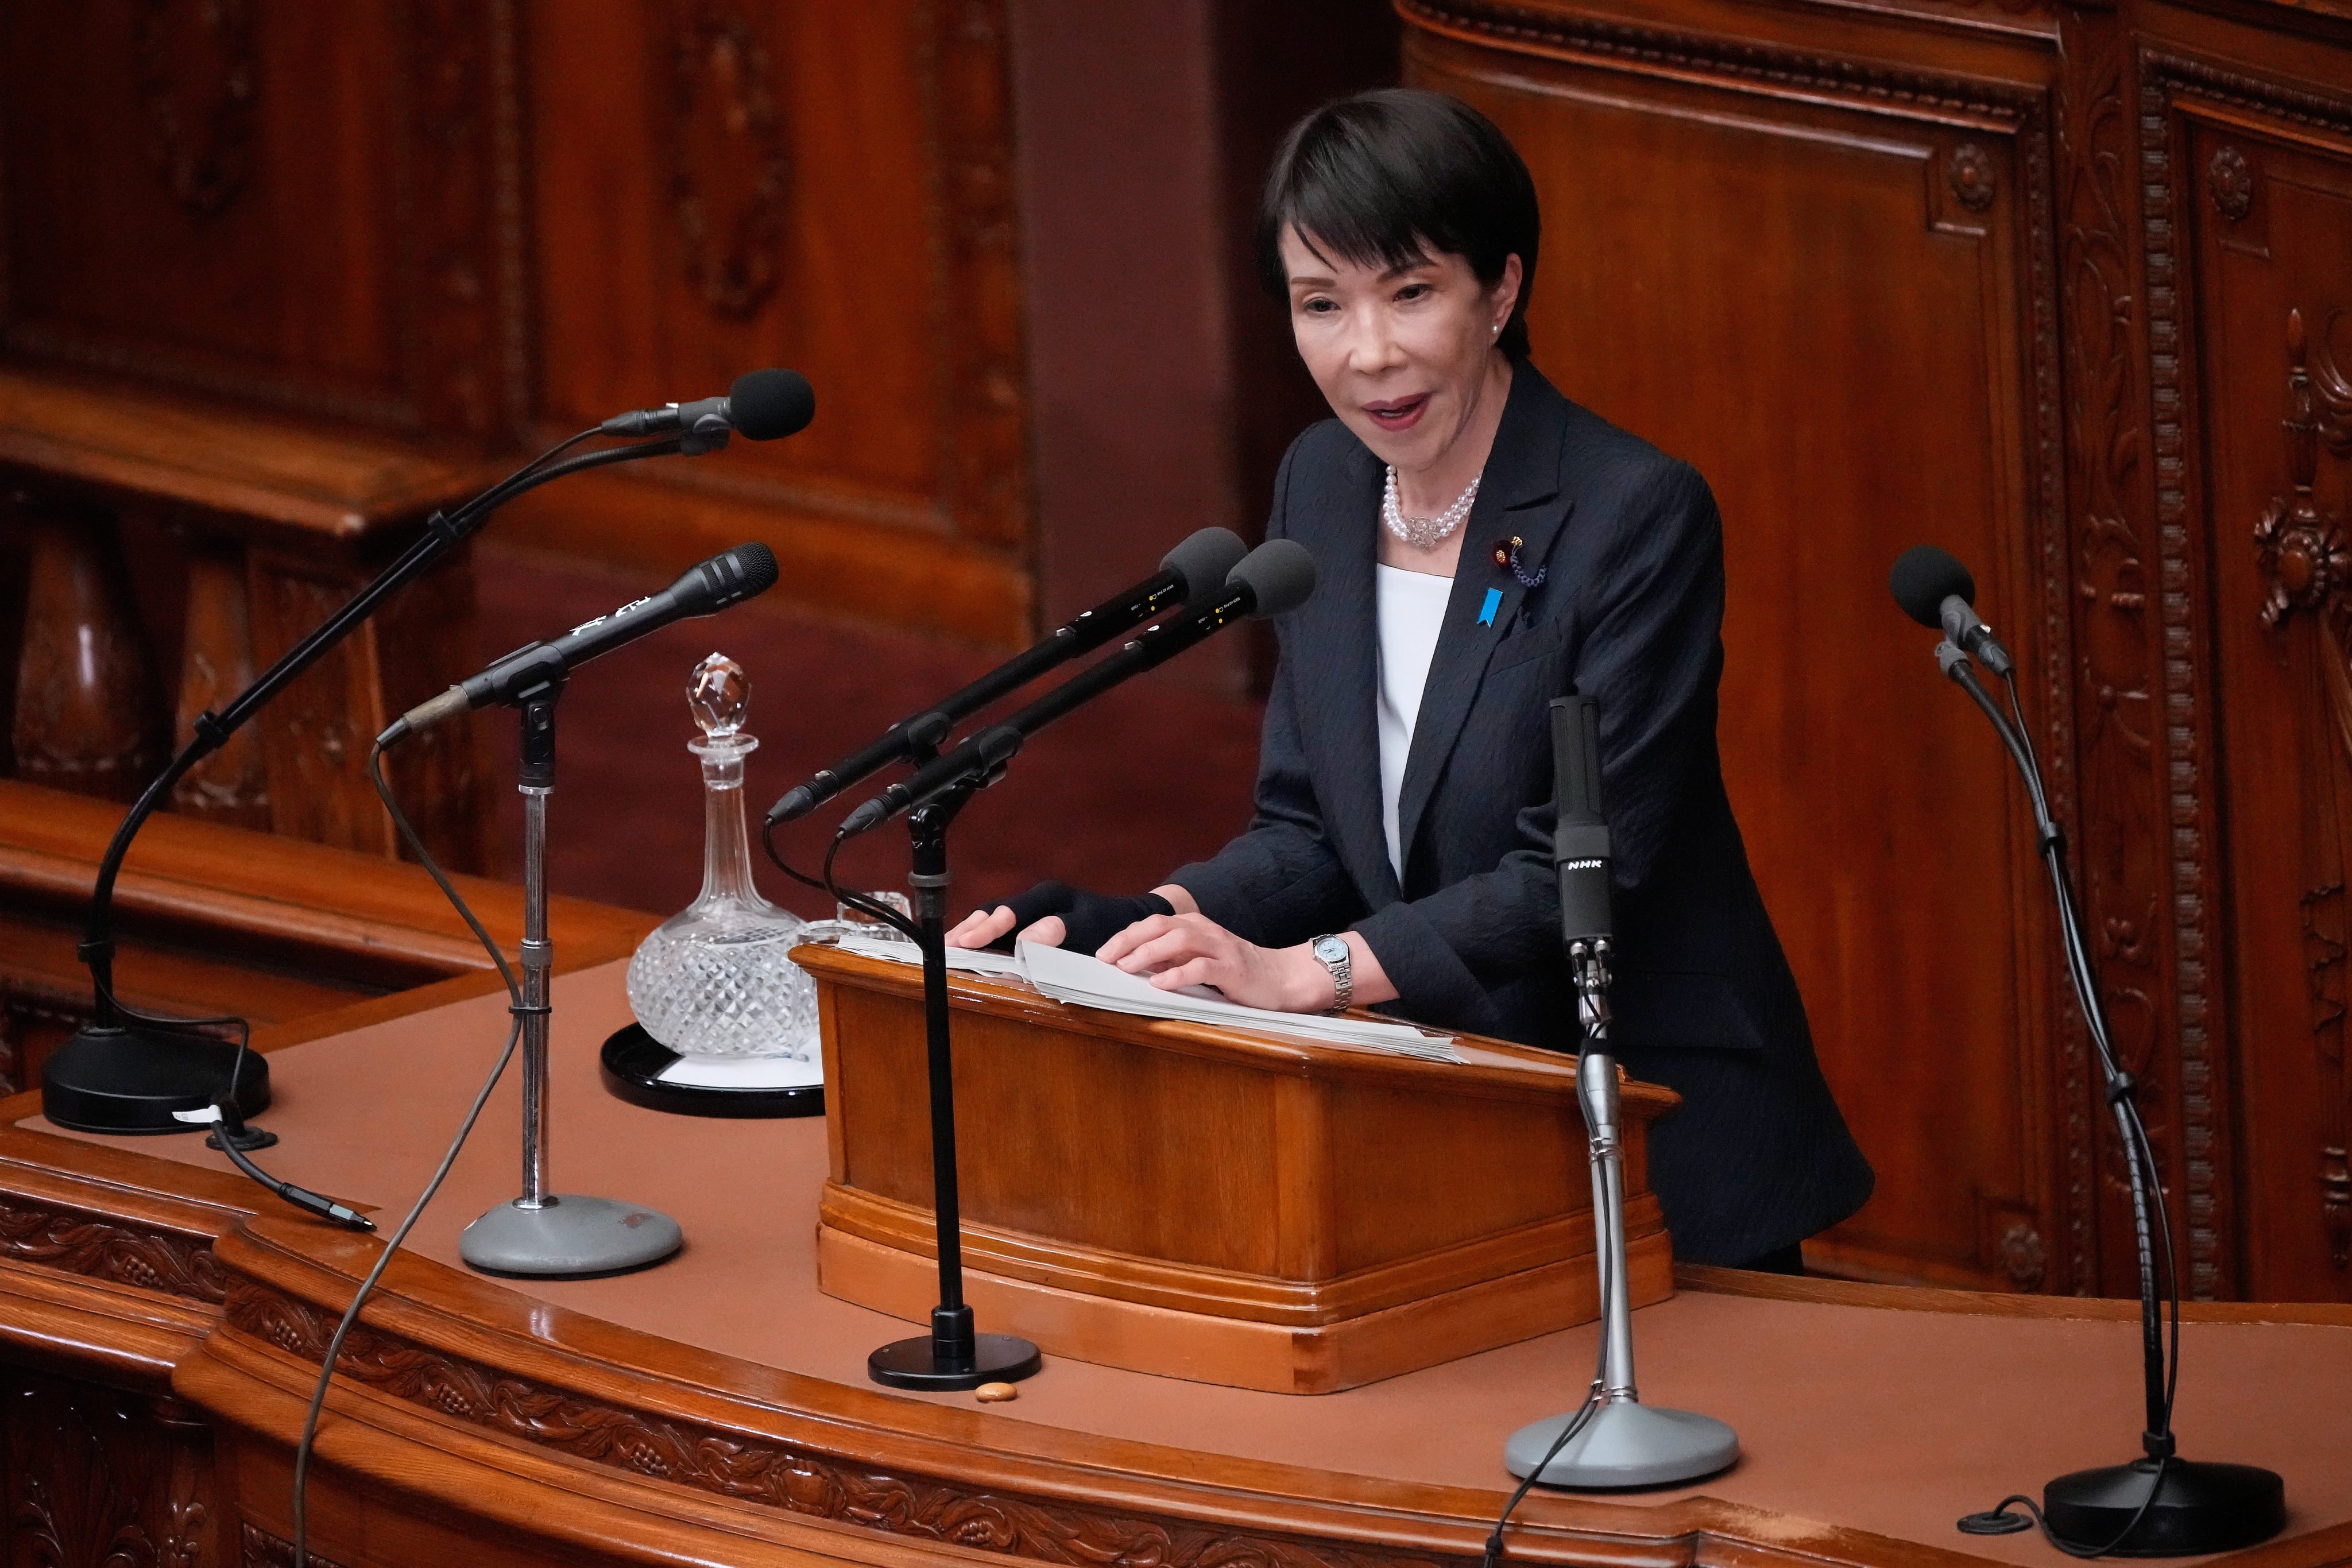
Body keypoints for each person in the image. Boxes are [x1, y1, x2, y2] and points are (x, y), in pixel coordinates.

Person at [951, 88, 1871, 1271]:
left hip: (1646, 1118)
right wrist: (1151, 932)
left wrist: (1305, 974)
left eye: (1410, 291)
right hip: (1440, 1120)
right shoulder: (1322, 486)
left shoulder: (1631, 513)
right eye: (1320, 304)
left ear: (1500, 290)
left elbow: (1577, 871)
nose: (1367, 353)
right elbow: (1308, 828)